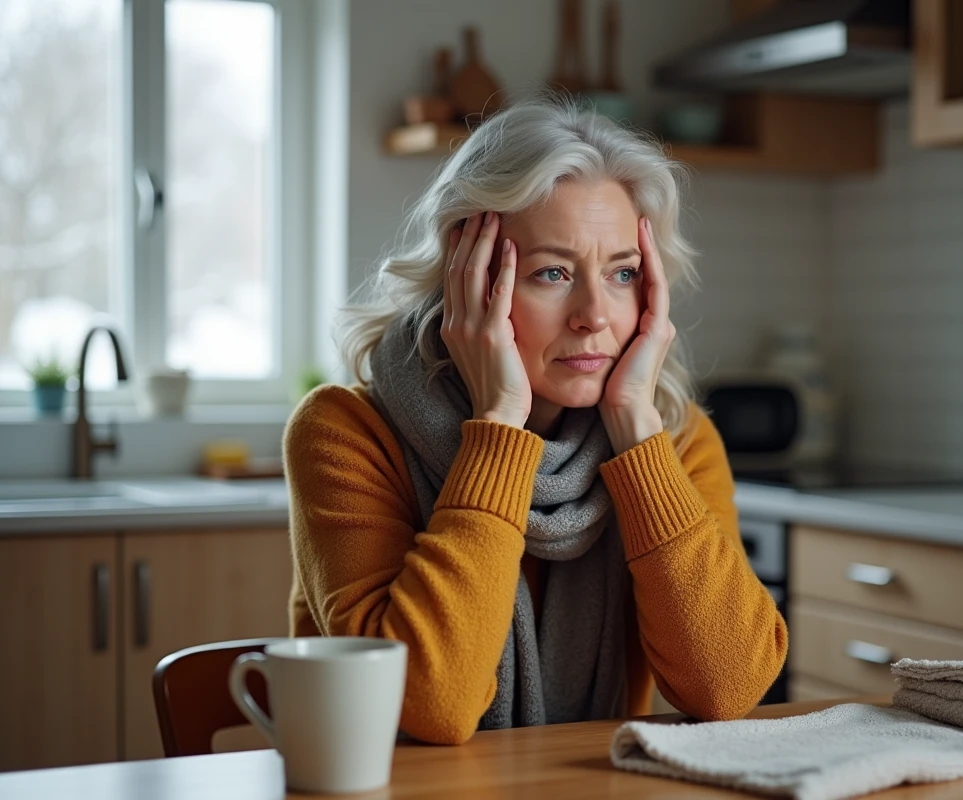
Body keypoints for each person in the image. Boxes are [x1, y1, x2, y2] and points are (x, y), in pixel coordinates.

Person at [284, 99, 788, 745]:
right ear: (467, 278)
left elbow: (729, 688)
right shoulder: (345, 434)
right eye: (552, 273)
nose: (595, 315)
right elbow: (429, 706)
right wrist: (500, 424)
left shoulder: (674, 440)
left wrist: (635, 426)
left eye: (622, 274)